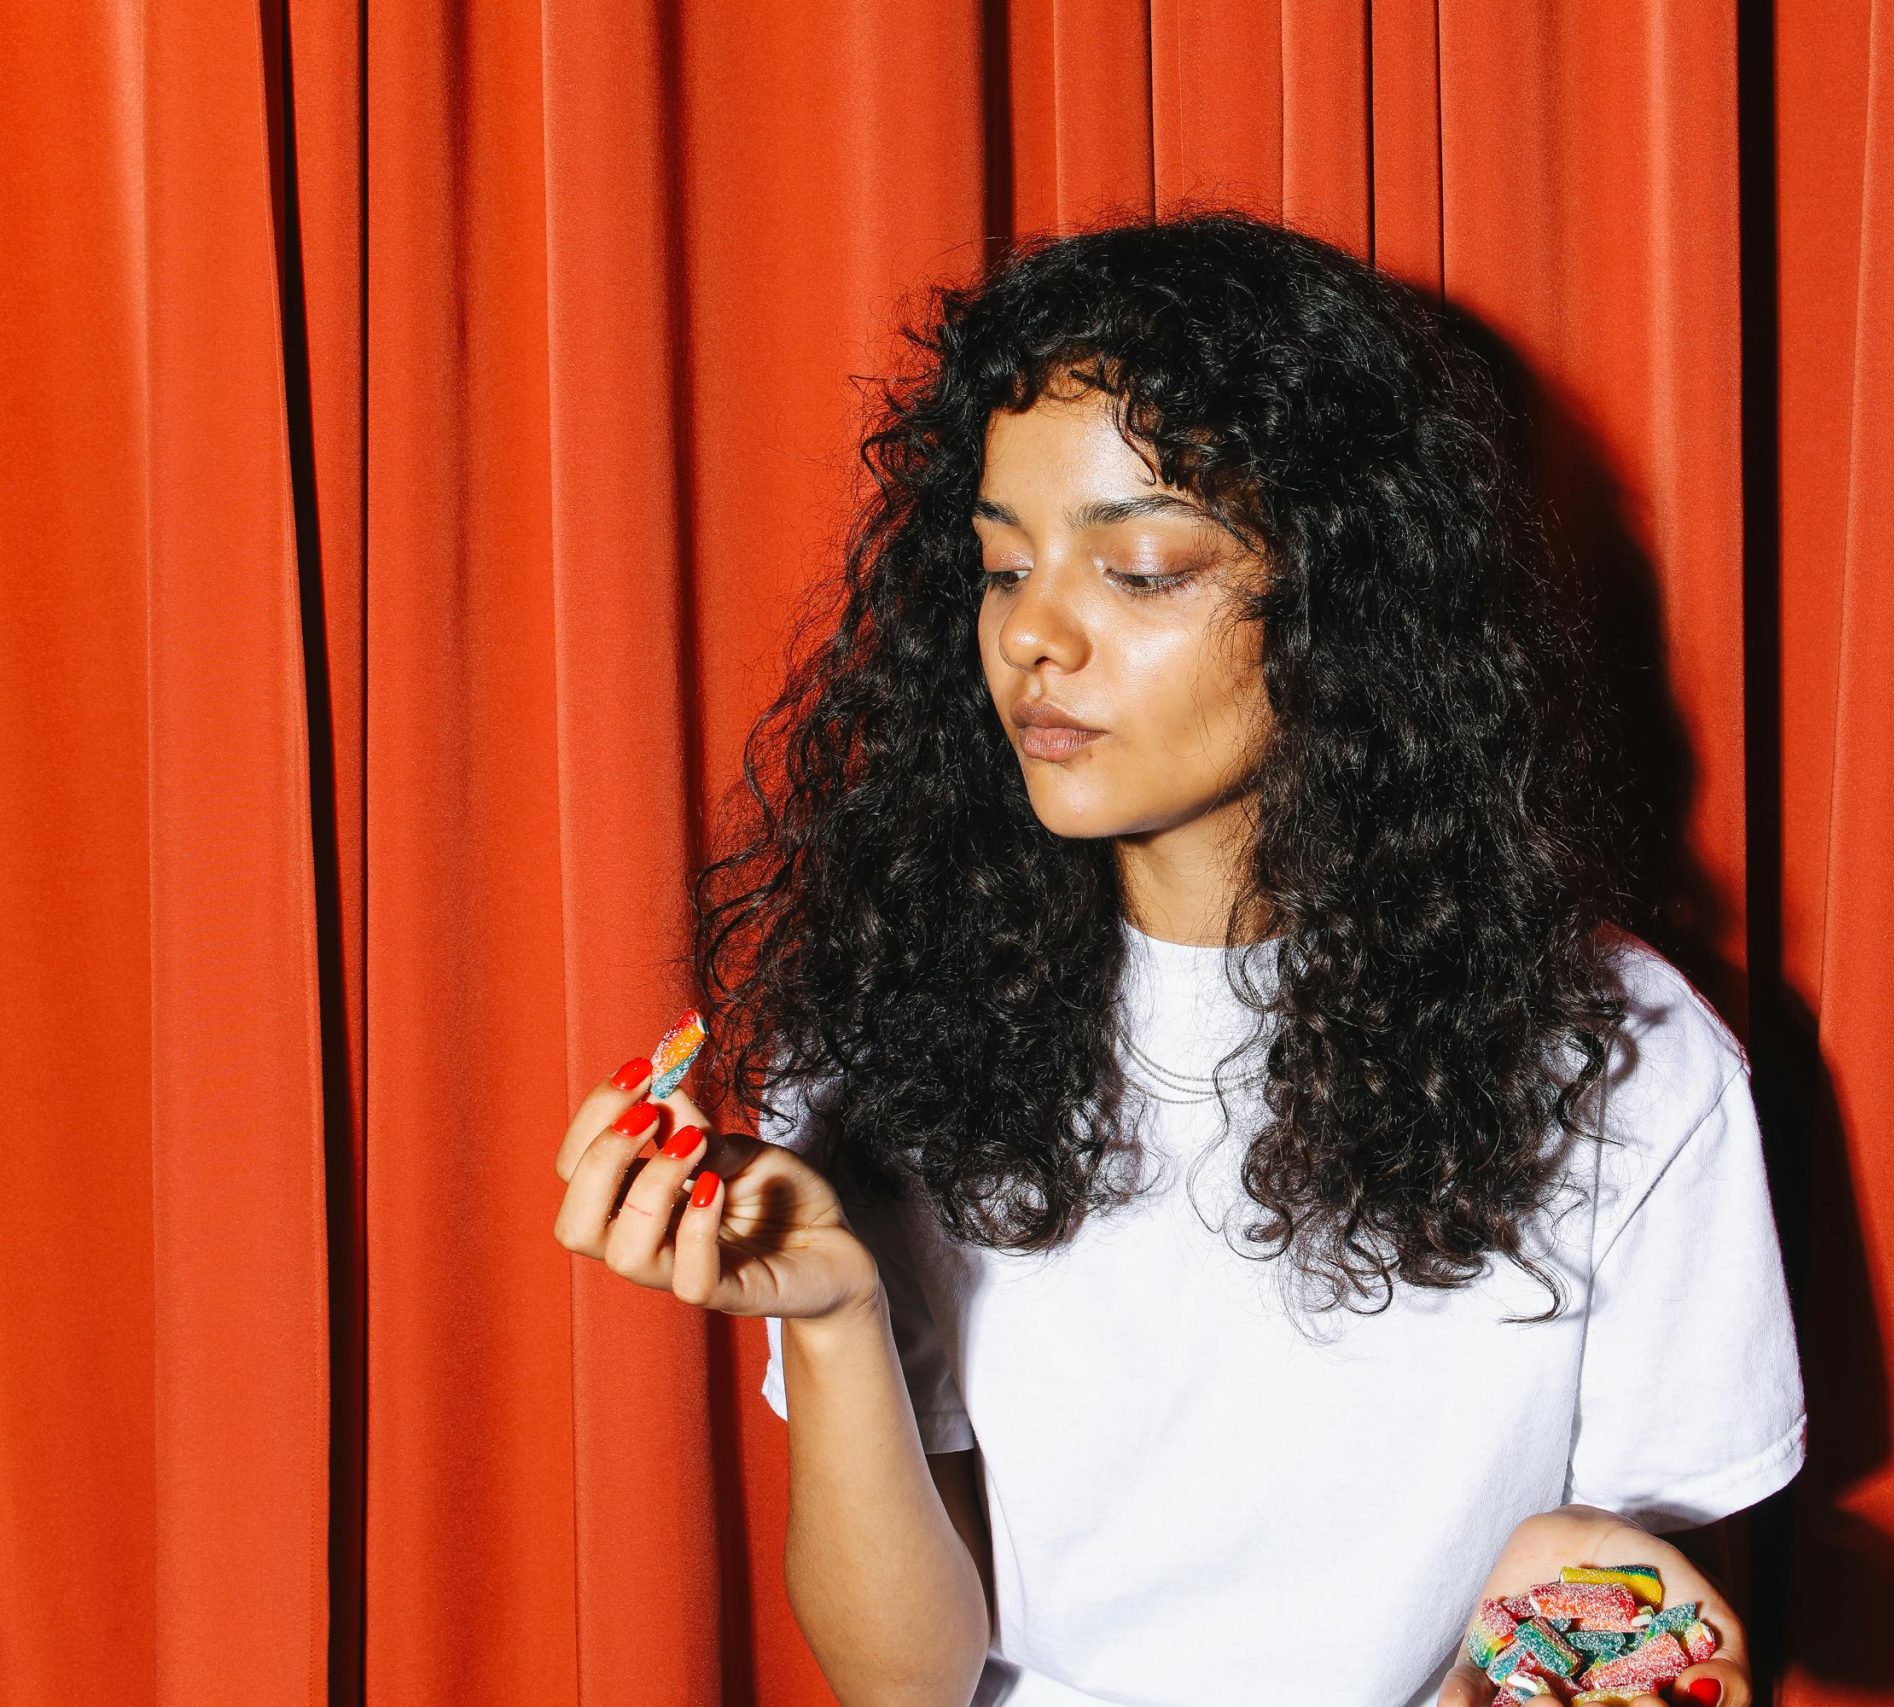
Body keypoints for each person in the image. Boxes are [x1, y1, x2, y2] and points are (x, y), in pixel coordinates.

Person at [550, 209, 1805, 1707]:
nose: (1036, 638)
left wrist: (1588, 1601)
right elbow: (909, 1686)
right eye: (1001, 570)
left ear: (1349, 601)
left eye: (1139, 569)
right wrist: (835, 1316)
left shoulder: (1625, 1054)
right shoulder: (898, 1031)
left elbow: (1633, 1622)